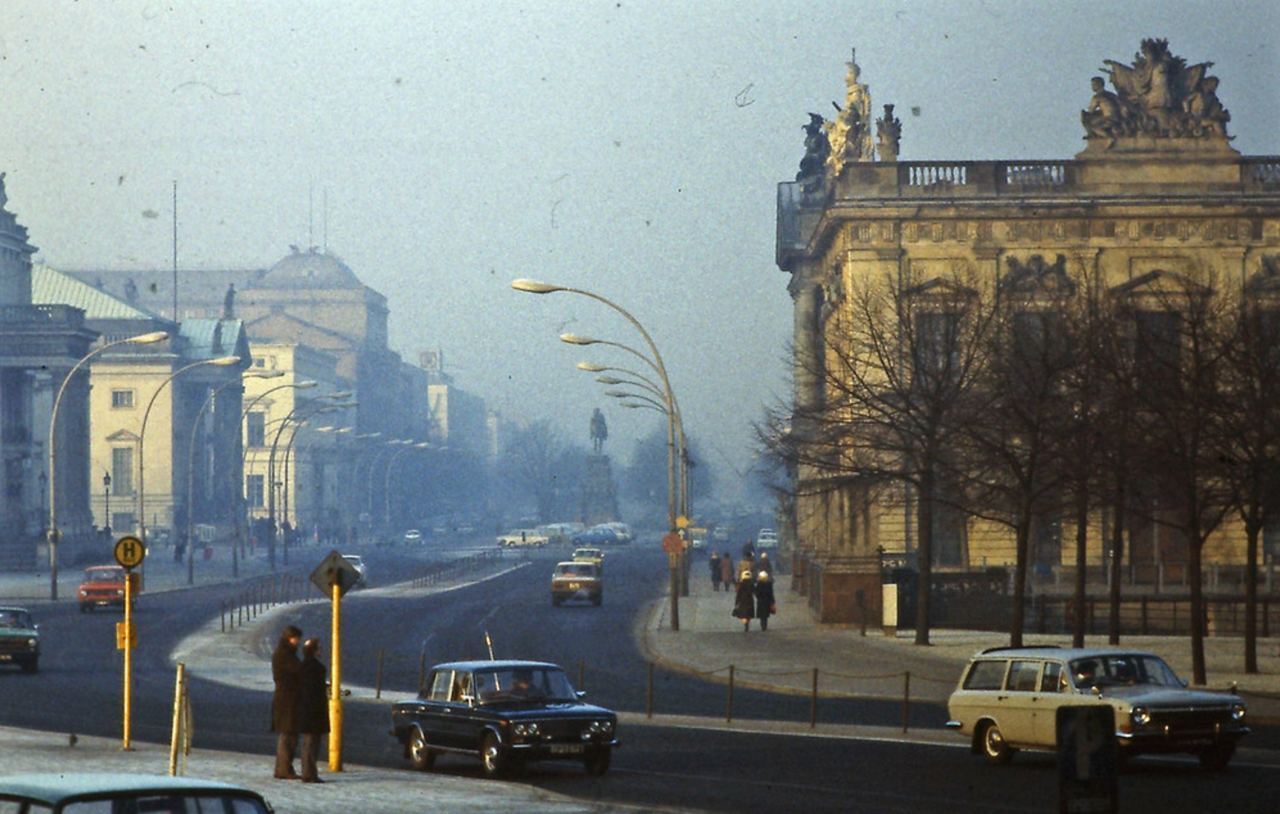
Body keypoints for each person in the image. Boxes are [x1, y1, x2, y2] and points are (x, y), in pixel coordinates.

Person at [271, 625, 303, 779]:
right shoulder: (285, 655)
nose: (298, 642)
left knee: (288, 735)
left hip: (286, 699)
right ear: (290, 638)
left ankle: (283, 768)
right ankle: (284, 769)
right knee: (288, 735)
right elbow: (299, 671)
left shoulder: (283, 653)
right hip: (288, 700)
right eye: (297, 638)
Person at [297, 638, 329, 784]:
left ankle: (308, 772)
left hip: (305, 710)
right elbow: (315, 692)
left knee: (307, 743)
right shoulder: (316, 668)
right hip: (314, 712)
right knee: (312, 743)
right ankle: (309, 774)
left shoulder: (302, 666)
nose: (321, 651)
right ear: (314, 650)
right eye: (319, 648)